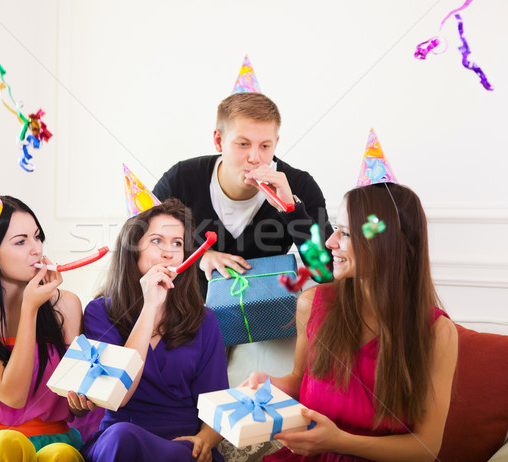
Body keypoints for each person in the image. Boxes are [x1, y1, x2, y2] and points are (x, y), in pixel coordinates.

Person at [243, 183, 458, 461]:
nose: (330, 242)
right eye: (336, 229)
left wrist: (340, 442)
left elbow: (426, 448)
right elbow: (300, 379)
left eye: (345, 233)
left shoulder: (438, 333)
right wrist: (269, 384)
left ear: (386, 241)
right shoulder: (312, 303)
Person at [0, 193, 92, 462]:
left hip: (53, 440)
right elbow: (13, 394)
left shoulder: (67, 305)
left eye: (37, 237)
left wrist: (84, 400)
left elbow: (76, 405)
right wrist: (30, 309)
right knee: (6, 443)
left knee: (62, 455)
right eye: (21, 241)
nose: (36, 249)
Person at [79, 198, 228, 462]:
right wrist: (149, 307)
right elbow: (119, 395)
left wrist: (205, 439)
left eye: (177, 244)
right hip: (120, 439)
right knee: (122, 437)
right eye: (157, 241)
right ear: (132, 247)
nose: (168, 252)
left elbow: (216, 404)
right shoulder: (100, 312)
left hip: (181, 445)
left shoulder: (204, 320)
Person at [153, 92, 333, 295]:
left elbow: (326, 272)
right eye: (243, 144)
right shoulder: (180, 180)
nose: (255, 158)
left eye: (265, 146)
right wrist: (200, 257)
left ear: (276, 142)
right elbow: (141, 252)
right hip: (189, 312)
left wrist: (291, 209)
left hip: (266, 311)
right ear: (219, 141)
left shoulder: (300, 186)